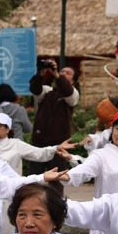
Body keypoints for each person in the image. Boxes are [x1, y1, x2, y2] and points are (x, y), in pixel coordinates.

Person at [55, 109, 118, 234]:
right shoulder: (101, 155)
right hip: (107, 218)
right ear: (111, 130)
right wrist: (62, 176)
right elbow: (82, 171)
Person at [28, 59, 79, 191]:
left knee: (56, 181)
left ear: (73, 81)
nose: (63, 74)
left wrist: (57, 75)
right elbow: (35, 89)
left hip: (59, 145)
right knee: (34, 178)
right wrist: (41, 73)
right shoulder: (47, 91)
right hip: (39, 142)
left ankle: (55, 207)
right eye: (62, 71)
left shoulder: (73, 94)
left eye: (67, 73)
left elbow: (67, 92)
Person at [0, 112, 74, 176]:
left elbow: (38, 153)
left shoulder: (16, 144)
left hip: (11, 188)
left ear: (7, 129)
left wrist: (57, 148)